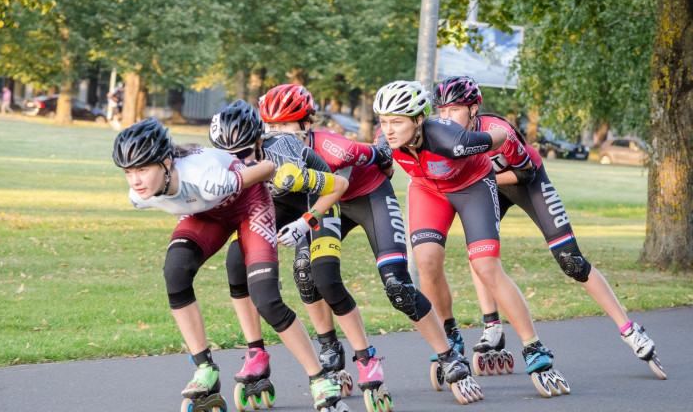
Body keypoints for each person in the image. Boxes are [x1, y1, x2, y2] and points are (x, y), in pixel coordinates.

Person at [258, 84, 486, 406]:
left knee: (397, 285)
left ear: (307, 124)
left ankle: (449, 356)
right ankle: (329, 348)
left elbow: (378, 154)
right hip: (326, 204)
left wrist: (386, 165)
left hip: (369, 197)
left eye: (284, 125)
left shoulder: (335, 147)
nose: (275, 132)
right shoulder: (269, 152)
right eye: (271, 125)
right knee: (306, 272)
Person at [430, 75, 666, 380]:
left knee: (571, 261)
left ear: (474, 108)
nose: (446, 117)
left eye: (454, 110)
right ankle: (492, 327)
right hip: (487, 185)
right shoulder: (441, 134)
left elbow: (525, 172)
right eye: (442, 111)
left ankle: (630, 330)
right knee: (480, 254)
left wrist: (482, 177)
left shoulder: (497, 131)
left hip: (525, 179)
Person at [112, 117, 350, 412]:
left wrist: (302, 218)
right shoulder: (139, 196)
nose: (135, 180)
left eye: (143, 169)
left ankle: (318, 380)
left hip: (249, 206)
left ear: (166, 162)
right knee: (175, 272)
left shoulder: (208, 177)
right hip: (207, 214)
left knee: (266, 300)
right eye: (128, 172)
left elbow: (267, 169)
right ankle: (205, 369)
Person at [374, 80, 570, 399]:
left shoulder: (451, 138)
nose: (389, 129)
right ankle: (451, 336)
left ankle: (535, 348)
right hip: (427, 189)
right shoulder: (385, 140)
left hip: (472, 187)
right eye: (383, 121)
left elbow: (501, 136)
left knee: (486, 267)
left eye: (397, 121)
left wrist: (507, 147)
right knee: (425, 262)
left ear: (419, 119)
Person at [209, 100, 372, 410]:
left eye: (244, 153)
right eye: (228, 156)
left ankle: (366, 357)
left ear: (258, 141)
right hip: (278, 204)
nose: (238, 163)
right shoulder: (222, 164)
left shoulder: (283, 157)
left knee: (321, 276)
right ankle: (256, 353)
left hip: (317, 197)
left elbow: (339, 185)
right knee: (235, 262)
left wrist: (305, 222)